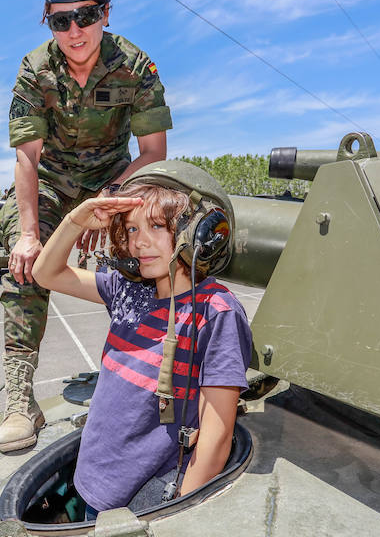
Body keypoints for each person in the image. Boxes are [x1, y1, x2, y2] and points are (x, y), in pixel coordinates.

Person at [0, 0, 172, 452]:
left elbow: (153, 153)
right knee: (24, 265)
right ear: (47, 20)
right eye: (60, 20)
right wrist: (30, 234)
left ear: (107, 15)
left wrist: (109, 199)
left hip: (113, 179)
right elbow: (26, 158)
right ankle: (19, 397)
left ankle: (153, 374)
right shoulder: (35, 69)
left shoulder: (135, 66)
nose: (75, 31)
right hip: (48, 181)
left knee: (144, 259)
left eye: (86, 16)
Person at [31, 161, 250, 516]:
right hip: (92, 482)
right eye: (131, 228)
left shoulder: (216, 311)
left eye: (156, 226)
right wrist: (76, 220)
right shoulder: (128, 290)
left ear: (195, 233)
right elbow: (46, 273)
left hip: (138, 505)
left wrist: (175, 515)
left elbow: (216, 438)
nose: (138, 242)